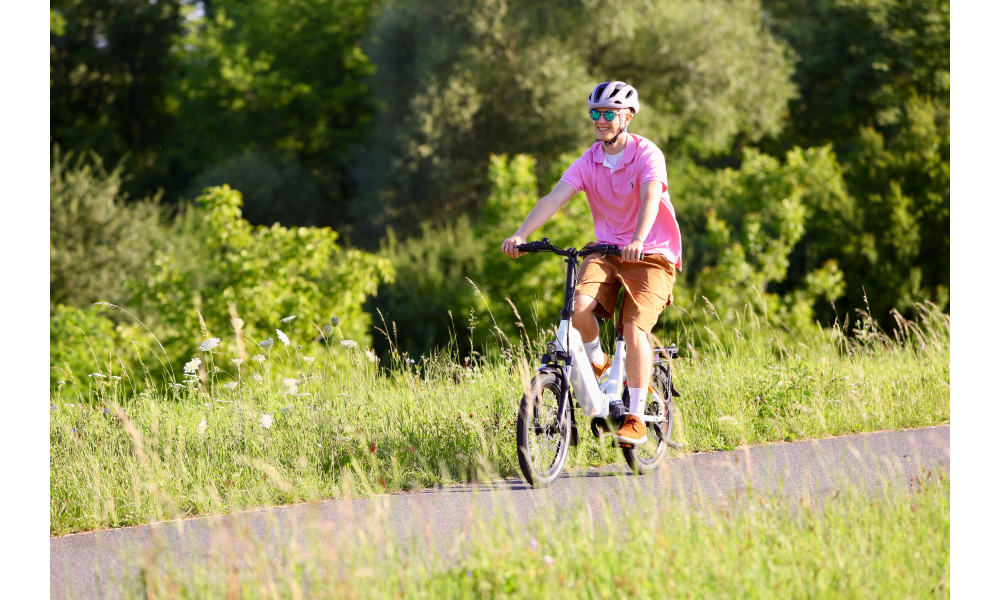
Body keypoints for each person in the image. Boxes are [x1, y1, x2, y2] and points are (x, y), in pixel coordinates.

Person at [501, 81, 682, 446]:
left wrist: (638, 239)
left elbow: (651, 197)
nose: (600, 120)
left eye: (608, 114)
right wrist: (521, 234)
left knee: (634, 329)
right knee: (577, 307)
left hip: (651, 253)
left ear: (627, 117)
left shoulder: (647, 153)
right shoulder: (589, 161)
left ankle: (635, 417)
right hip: (606, 250)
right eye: (595, 113)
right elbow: (553, 198)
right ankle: (600, 365)